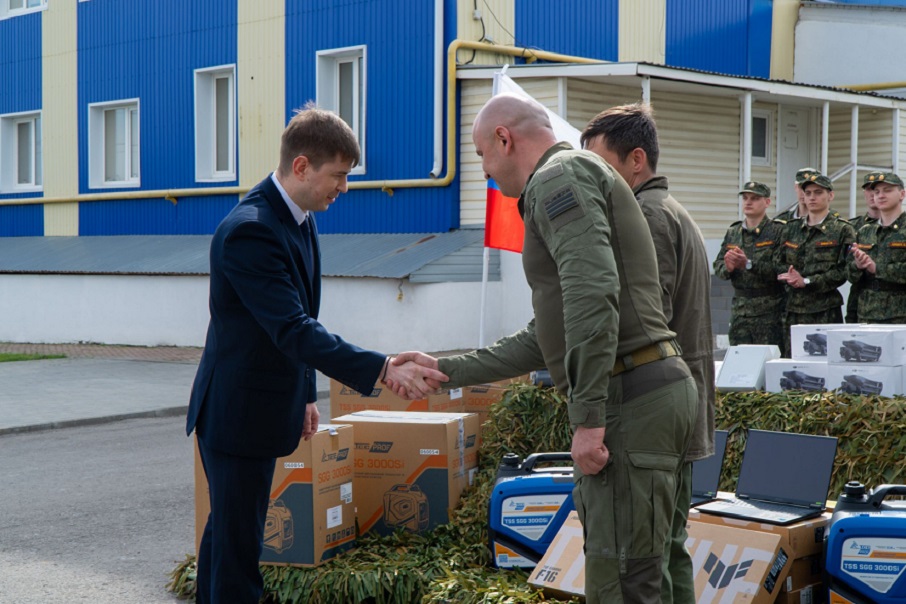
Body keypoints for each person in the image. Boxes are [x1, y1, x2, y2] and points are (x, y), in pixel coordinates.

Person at [392, 93, 697, 604]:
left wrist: (589, 418)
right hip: (650, 391)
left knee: (622, 583)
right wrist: (446, 368)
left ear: (504, 139)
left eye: (482, 156)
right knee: (652, 573)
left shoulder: (557, 179)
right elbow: (548, 334)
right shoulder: (577, 174)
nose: (487, 173)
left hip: (630, 400)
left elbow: (591, 292)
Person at [185, 106, 448, 604]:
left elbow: (294, 322)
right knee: (237, 558)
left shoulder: (299, 218)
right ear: (302, 166)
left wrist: (305, 393)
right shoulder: (252, 229)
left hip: (262, 408)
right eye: (339, 176)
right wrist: (384, 368)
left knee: (228, 539)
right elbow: (293, 328)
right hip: (236, 417)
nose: (344, 188)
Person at [580, 102, 713, 604]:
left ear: (637, 160)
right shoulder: (671, 210)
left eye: (602, 166)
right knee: (668, 547)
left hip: (651, 408)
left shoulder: (647, 217)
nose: (596, 179)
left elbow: (639, 323)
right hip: (681, 406)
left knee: (641, 559)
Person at [776, 172, 855, 355]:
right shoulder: (791, 229)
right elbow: (778, 262)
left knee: (825, 362)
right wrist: (790, 277)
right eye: (808, 192)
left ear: (830, 195)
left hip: (825, 310)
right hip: (793, 309)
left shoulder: (842, 229)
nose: (812, 197)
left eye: (818, 192)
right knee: (794, 362)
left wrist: (808, 281)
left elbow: (844, 271)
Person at [713, 181, 785, 350]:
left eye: (755, 198)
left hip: (769, 312)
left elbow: (781, 270)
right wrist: (728, 267)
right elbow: (718, 265)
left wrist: (749, 264)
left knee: (769, 363)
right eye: (745, 198)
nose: (748, 202)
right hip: (741, 311)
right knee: (741, 363)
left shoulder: (777, 231)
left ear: (767, 202)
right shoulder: (734, 232)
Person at [848, 172, 906, 323]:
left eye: (887, 190)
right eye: (876, 192)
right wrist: (858, 266)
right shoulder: (865, 231)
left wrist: (877, 268)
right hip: (866, 314)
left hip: (899, 316)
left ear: (902, 194)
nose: (880, 195)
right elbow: (848, 273)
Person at [845, 171, 881, 322]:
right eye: (869, 189)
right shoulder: (853, 226)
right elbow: (845, 268)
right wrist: (857, 266)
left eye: (877, 190)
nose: (873, 194)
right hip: (860, 303)